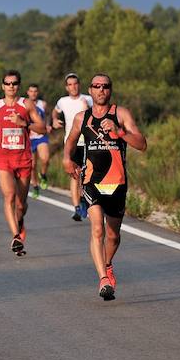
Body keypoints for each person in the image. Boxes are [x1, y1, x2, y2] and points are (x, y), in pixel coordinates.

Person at [64, 74, 147, 300]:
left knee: (113, 236)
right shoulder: (82, 118)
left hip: (117, 182)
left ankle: (107, 264)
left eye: (105, 86)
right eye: (96, 86)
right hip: (92, 181)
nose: (101, 90)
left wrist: (120, 132)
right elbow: (70, 141)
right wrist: (66, 159)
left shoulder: (121, 114)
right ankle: (103, 280)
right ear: (89, 90)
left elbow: (142, 144)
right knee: (97, 230)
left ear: (110, 90)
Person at [0, 70, 46, 255]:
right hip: (4, 158)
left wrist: (24, 124)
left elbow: (42, 128)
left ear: (18, 86)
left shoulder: (26, 104)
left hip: (23, 159)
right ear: (2, 86)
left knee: (21, 204)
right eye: (7, 83)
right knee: (9, 196)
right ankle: (16, 236)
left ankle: (20, 223)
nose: (11, 86)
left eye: (14, 83)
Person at [52, 72, 93, 221]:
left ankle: (84, 200)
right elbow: (55, 112)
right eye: (70, 84)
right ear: (66, 87)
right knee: (75, 174)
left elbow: (98, 114)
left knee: (87, 174)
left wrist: (88, 107)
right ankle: (77, 208)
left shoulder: (88, 99)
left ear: (79, 85)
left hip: (88, 141)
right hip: (72, 142)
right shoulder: (62, 101)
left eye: (75, 84)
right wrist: (55, 120)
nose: (73, 87)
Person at [26, 83, 51, 197]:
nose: (33, 93)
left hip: (41, 136)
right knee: (32, 165)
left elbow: (48, 115)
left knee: (45, 159)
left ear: (38, 92)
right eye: (31, 91)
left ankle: (43, 175)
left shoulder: (43, 104)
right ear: (27, 92)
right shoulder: (24, 104)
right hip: (29, 138)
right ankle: (35, 186)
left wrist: (49, 125)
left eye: (35, 91)